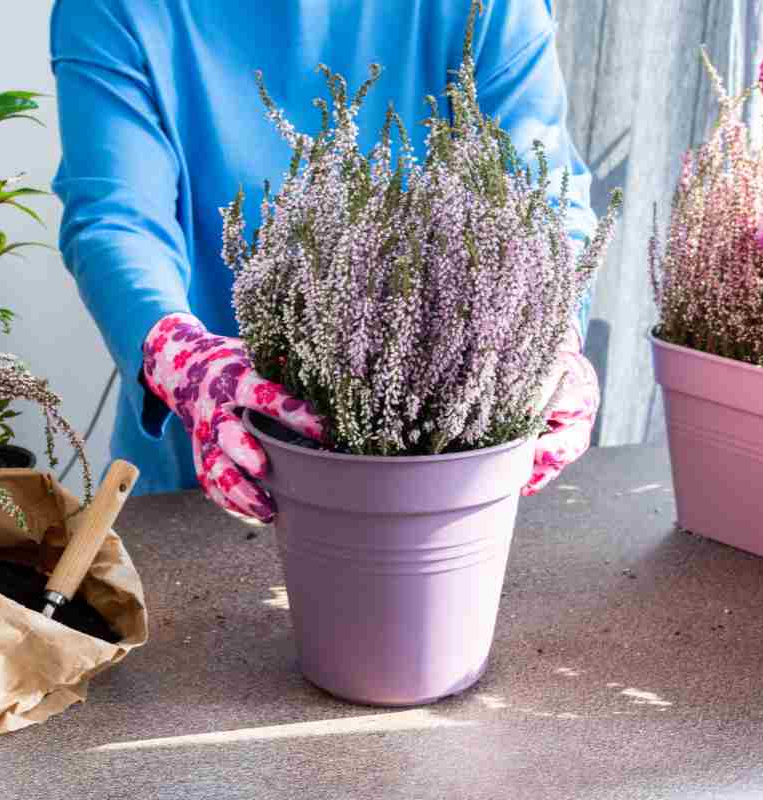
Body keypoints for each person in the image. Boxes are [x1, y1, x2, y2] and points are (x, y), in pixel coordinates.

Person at [50, 0, 602, 516]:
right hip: (210, 470)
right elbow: (115, 215)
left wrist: (551, 338)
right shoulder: (120, 9)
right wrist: (184, 360)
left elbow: (540, 191)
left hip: (440, 486)